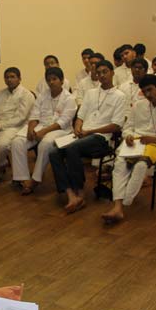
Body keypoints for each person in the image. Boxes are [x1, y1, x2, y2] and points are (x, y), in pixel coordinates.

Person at [49, 60, 126, 214]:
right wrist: (78, 127)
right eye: (99, 72)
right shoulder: (91, 93)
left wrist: (89, 132)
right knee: (53, 152)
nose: (102, 75)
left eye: (105, 72)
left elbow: (116, 125)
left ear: (112, 73)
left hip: (101, 138)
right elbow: (81, 116)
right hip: (82, 135)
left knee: (72, 148)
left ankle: (80, 192)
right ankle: (70, 194)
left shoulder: (120, 96)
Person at [101, 75, 156, 224]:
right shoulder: (138, 105)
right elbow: (127, 128)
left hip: (155, 145)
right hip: (134, 143)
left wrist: (154, 139)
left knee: (140, 166)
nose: (148, 94)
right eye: (144, 91)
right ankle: (117, 207)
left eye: (150, 90)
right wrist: (128, 136)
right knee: (119, 164)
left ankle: (123, 204)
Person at [11, 67, 76, 195]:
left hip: (61, 130)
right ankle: (23, 178)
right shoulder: (42, 96)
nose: (51, 82)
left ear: (62, 81)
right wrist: (30, 129)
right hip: (40, 126)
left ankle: (35, 180)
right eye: (48, 80)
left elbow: (62, 122)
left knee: (45, 144)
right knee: (17, 142)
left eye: (54, 79)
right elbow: (34, 115)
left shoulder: (69, 99)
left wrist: (43, 132)